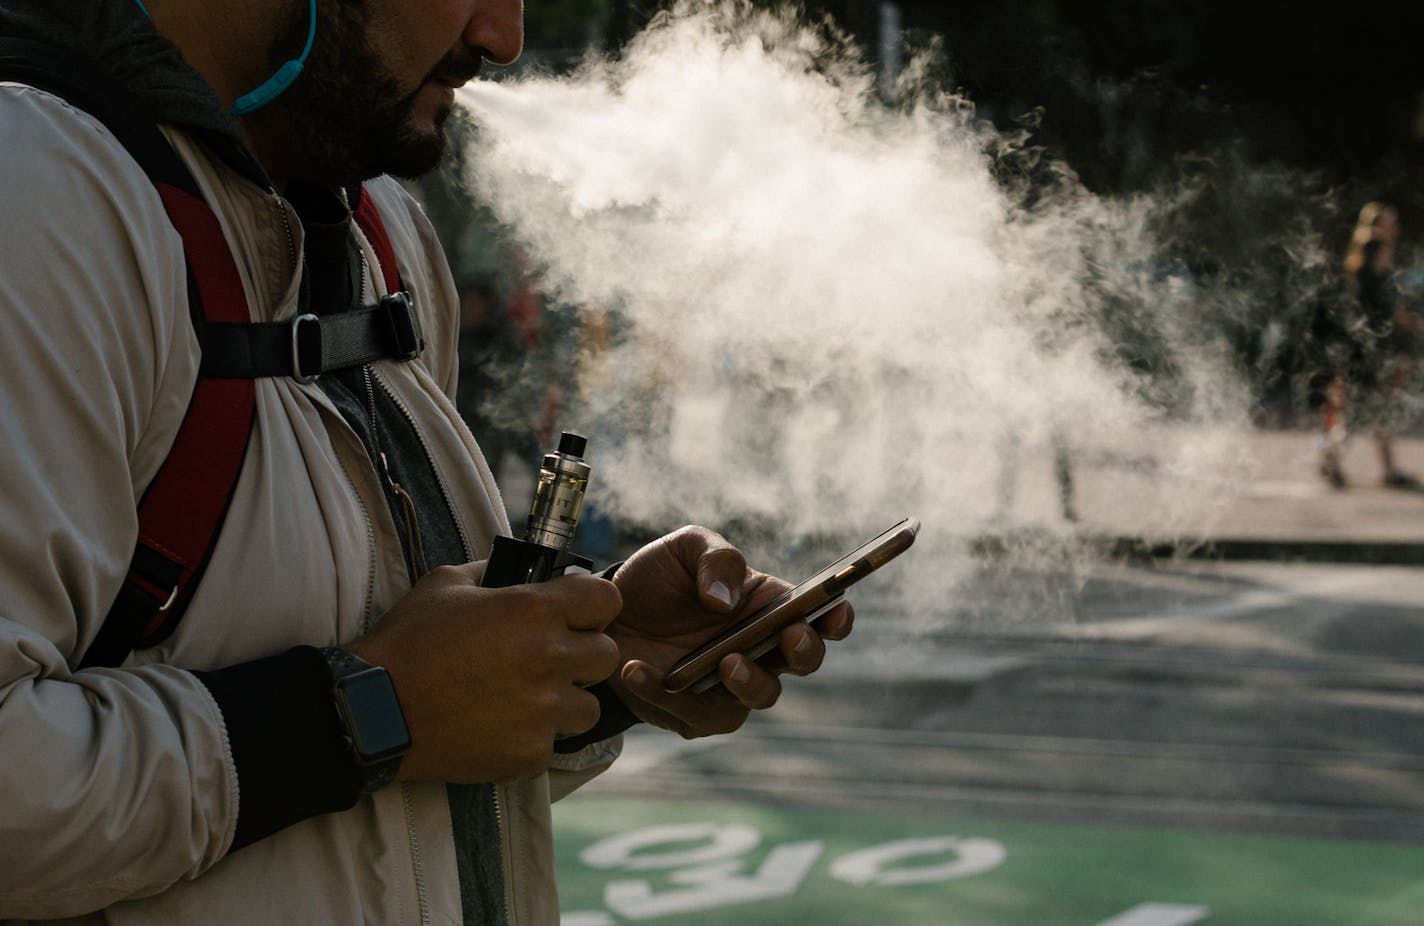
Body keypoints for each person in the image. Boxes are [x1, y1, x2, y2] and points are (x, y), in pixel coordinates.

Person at [0, 2, 852, 924]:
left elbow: (387, 787)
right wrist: (367, 715)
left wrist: (586, 666)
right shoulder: (34, 199)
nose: (502, 37)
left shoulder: (381, 227)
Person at [1319, 201, 1421, 489]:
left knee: (1377, 413)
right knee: (1362, 413)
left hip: (1368, 349)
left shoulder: (1367, 257)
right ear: (1377, 225)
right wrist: (1413, 324)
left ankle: (1387, 470)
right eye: (1390, 222)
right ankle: (1331, 461)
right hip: (1369, 352)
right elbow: (1388, 308)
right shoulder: (1375, 251)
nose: (1395, 228)